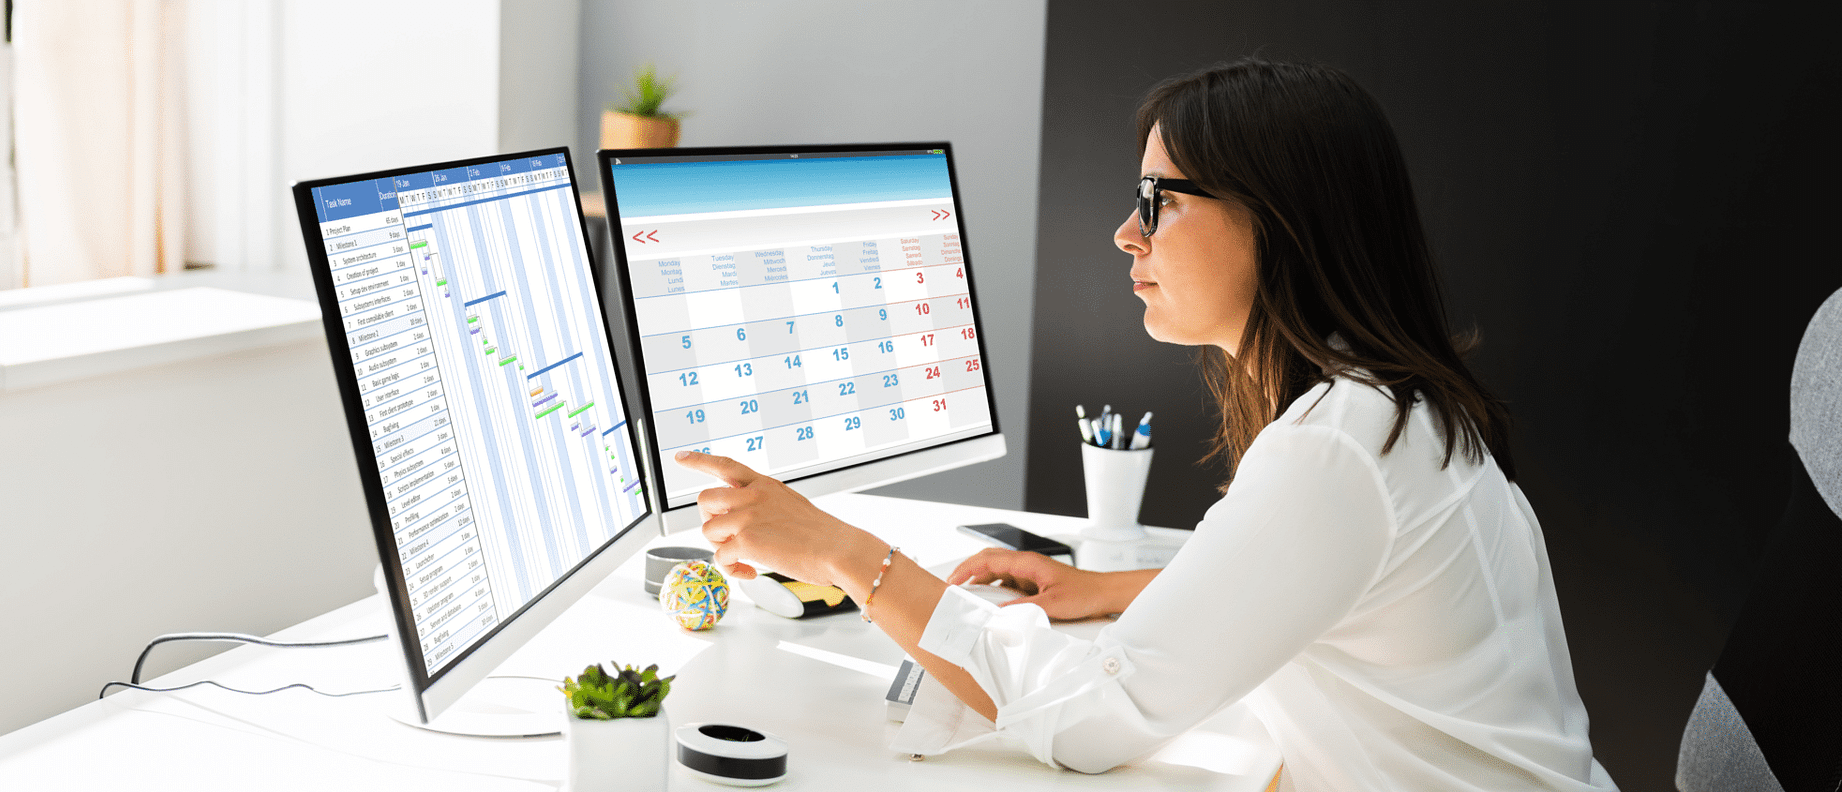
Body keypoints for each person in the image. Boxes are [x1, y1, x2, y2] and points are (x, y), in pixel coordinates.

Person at [673, 58, 1617, 792]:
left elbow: (1090, 722)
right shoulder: (1393, 405)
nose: (1128, 233)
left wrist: (842, 551)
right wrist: (1111, 588)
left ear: (1277, 220)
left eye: (1158, 201)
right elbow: (1322, 584)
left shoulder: (1339, 444)